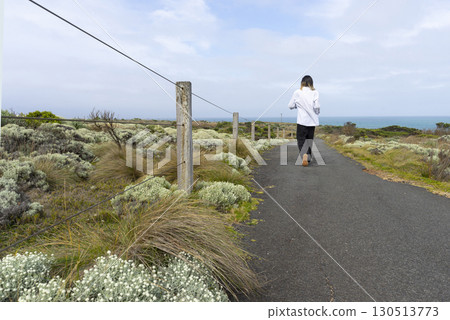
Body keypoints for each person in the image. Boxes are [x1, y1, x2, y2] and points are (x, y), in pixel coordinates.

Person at [288, 75, 320, 167]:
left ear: (302, 82)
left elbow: (290, 105)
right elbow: (317, 107)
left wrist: (297, 106)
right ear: (311, 83)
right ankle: (308, 158)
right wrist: (316, 112)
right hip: (312, 121)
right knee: (309, 140)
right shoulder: (315, 92)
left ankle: (304, 155)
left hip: (302, 121)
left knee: (301, 140)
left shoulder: (297, 92)